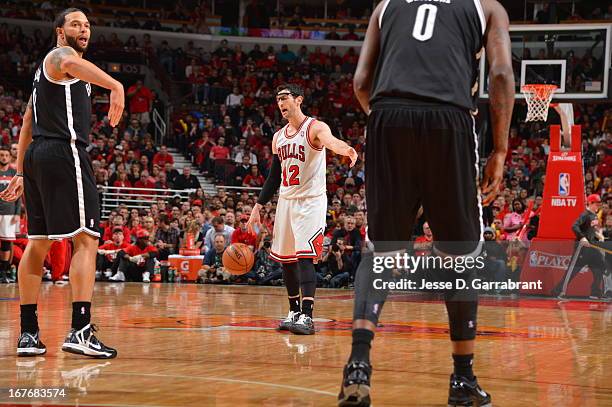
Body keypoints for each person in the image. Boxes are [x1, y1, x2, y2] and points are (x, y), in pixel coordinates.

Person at [338, 0, 514, 405]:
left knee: (382, 250)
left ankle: (359, 363)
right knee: (461, 255)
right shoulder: (487, 7)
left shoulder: (384, 5)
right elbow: (501, 73)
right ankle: (463, 380)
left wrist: (394, 126)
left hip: (386, 115)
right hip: (448, 119)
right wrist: (500, 150)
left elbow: (362, 81)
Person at [0, 8, 123, 358]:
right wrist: (115, 84)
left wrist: (22, 171)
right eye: (75, 24)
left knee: (37, 243)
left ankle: (27, 333)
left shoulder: (43, 75)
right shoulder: (60, 56)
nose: (83, 29)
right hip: (63, 152)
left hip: (37, 155)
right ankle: (80, 330)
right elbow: (71, 63)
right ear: (59, 31)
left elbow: (26, 121)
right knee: (87, 240)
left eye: (86, 25)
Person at [247, 83, 357, 335]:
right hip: (286, 200)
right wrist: (258, 206)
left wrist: (346, 149)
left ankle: (307, 317)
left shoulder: (315, 127)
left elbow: (331, 142)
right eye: (277, 99)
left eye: (284, 98)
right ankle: (293, 311)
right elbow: (274, 176)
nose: (280, 103)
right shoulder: (278, 137)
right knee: (286, 260)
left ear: (298, 100)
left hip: (311, 201)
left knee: (304, 257)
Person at [554, 194, 607, 299]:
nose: (598, 206)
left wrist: (597, 235)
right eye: (597, 204)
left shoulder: (594, 216)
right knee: (572, 271)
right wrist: (582, 238)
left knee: (600, 267)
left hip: (592, 248)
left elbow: (590, 229)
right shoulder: (585, 214)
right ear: (590, 203)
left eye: (599, 204)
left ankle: (595, 292)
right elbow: (574, 226)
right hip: (582, 249)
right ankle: (558, 291)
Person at [0, 146, 20, 283]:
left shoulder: (14, 173)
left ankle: (4, 272)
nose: (4, 158)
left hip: (9, 213)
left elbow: (18, 196)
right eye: (1, 155)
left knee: (7, 244)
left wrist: (17, 214)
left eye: (6, 155)